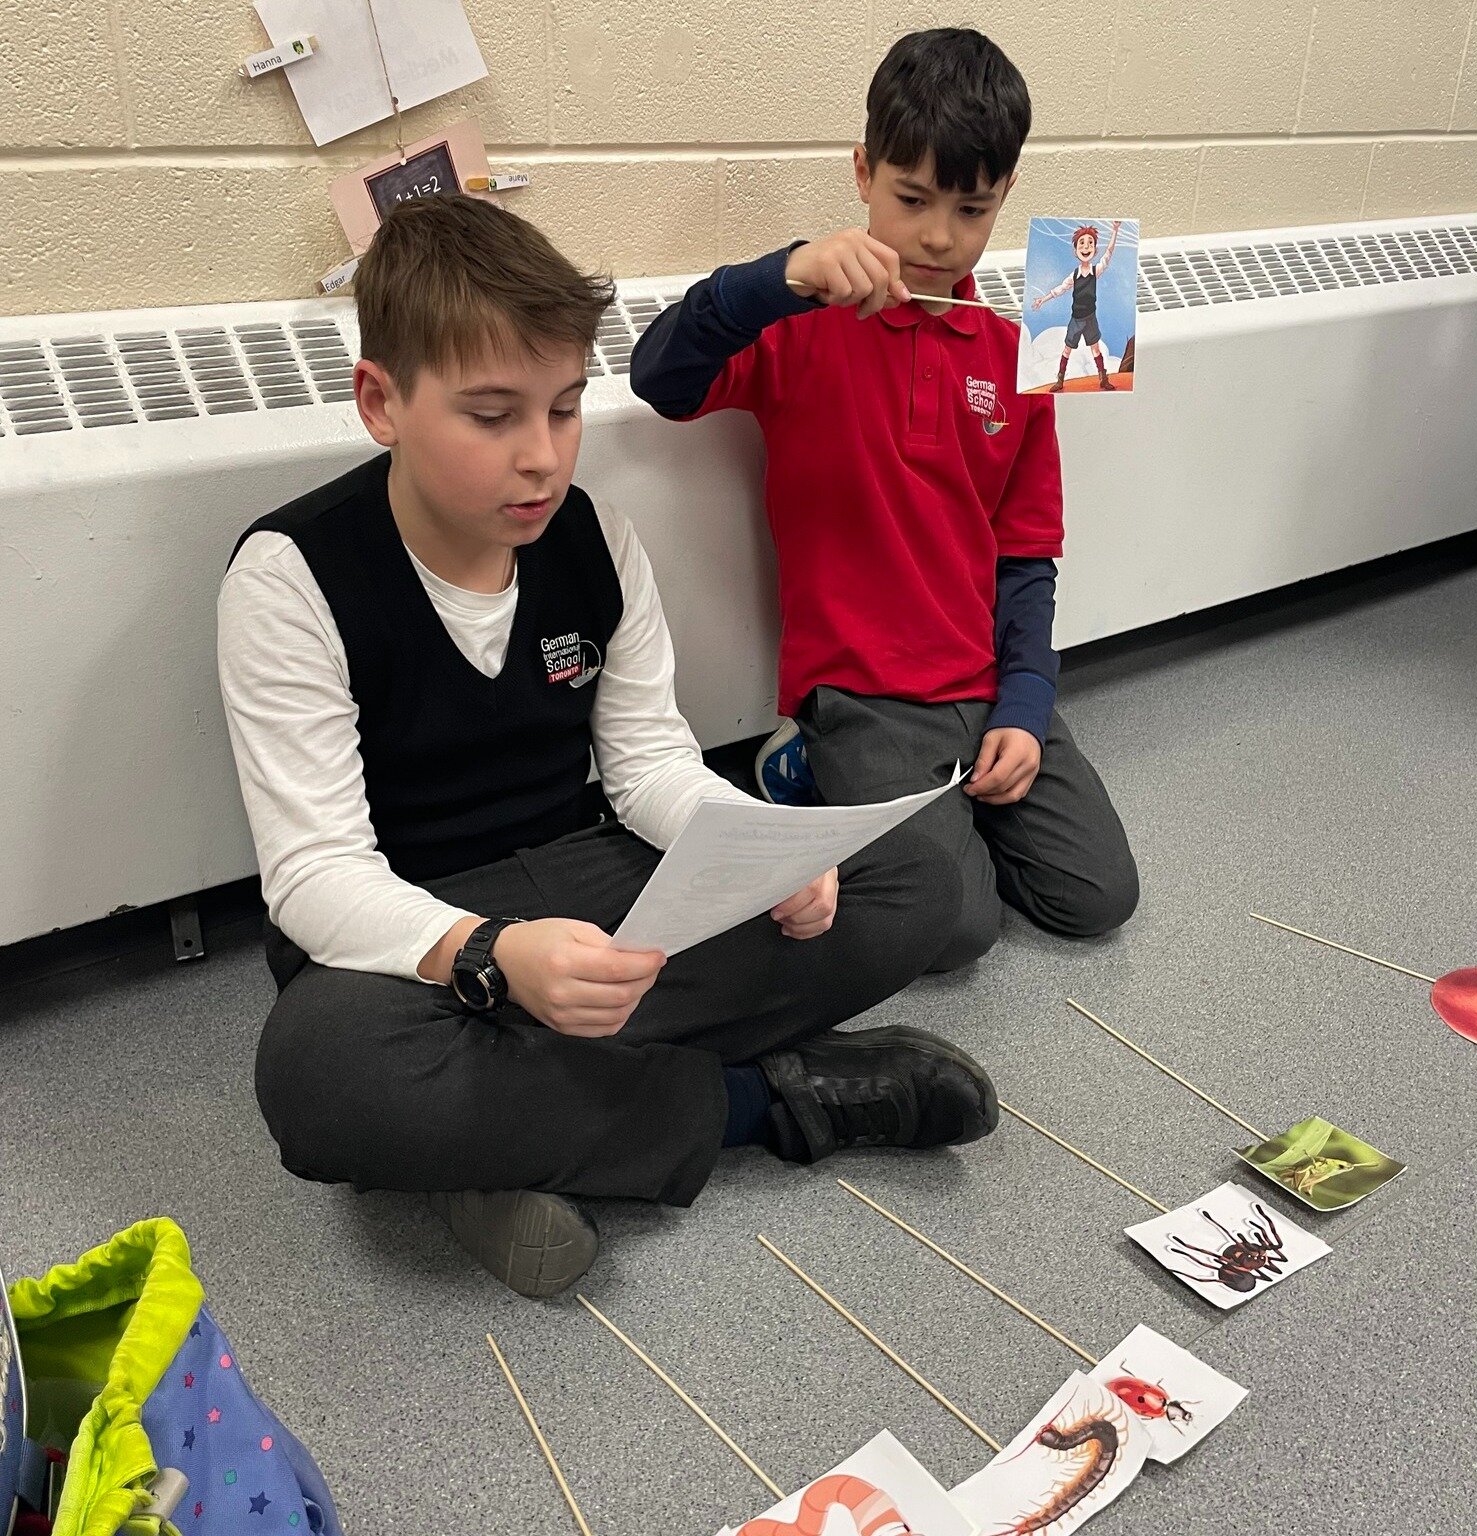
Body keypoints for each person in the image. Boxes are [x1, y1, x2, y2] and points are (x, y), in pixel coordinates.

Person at [216, 195, 997, 1300]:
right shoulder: (288, 576)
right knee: (318, 1076)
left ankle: (507, 1143)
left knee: (910, 876)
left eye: (566, 408)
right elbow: (313, 873)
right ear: (380, 401)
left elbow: (647, 767)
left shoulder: (596, 537)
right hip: (413, 940)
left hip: (586, 881)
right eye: (493, 416)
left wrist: (766, 854)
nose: (541, 458)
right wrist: (493, 956)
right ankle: (761, 1103)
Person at [630, 28, 1138, 967]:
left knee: (1099, 896)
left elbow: (1028, 551)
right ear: (863, 171)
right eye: (911, 200)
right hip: (860, 694)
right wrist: (777, 277)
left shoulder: (1028, 334)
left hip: (983, 685)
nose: (939, 235)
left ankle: (939, 808)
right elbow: (657, 374)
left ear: (1007, 198)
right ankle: (806, 772)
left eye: (972, 208)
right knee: (954, 929)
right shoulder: (799, 318)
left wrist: (1025, 705)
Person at [1031, 220, 1122, 392]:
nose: (1086, 247)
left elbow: (1109, 253)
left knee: (1095, 349)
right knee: (1067, 350)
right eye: (1082, 243)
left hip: (1090, 318)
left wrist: (1115, 231)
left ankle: (1103, 378)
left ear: (1095, 249)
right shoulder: (1074, 275)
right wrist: (1043, 299)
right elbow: (1060, 289)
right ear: (1075, 250)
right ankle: (1060, 381)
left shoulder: (1096, 271)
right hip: (1076, 319)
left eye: (1090, 243)